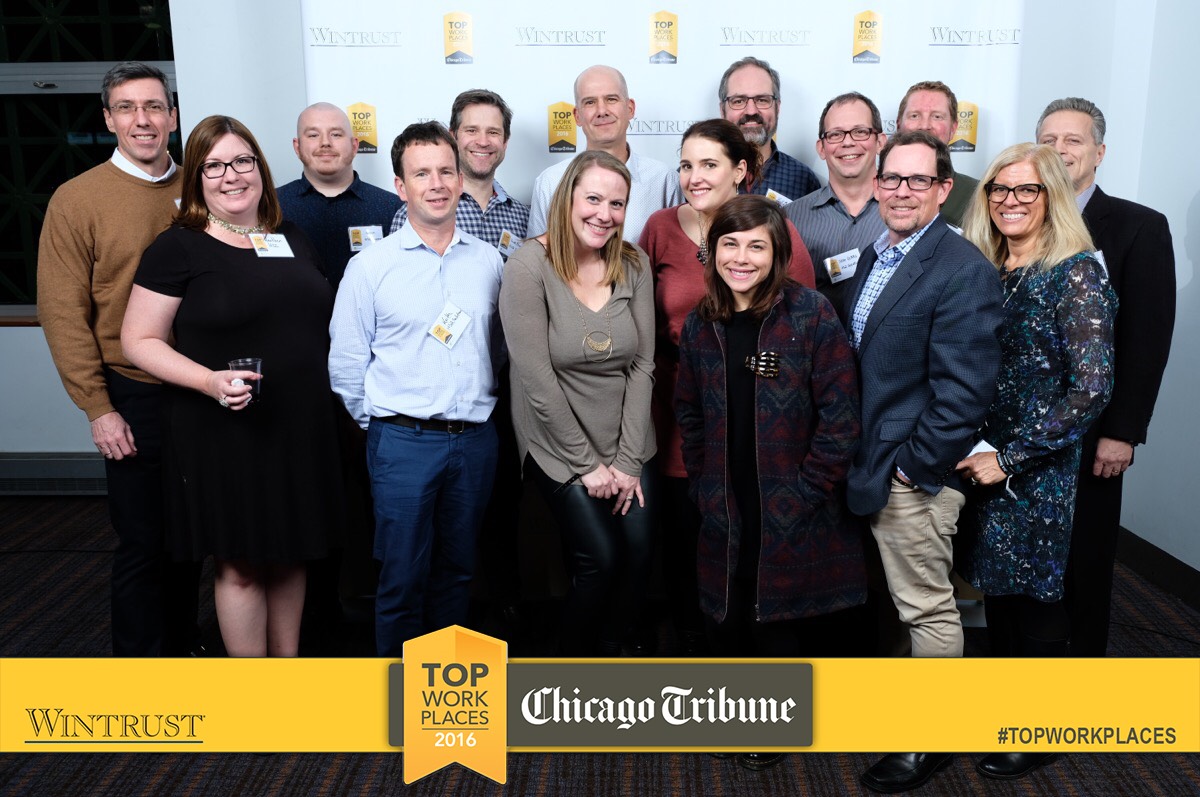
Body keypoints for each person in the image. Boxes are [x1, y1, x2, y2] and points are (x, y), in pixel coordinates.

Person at [122, 115, 342, 657]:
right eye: (214, 166)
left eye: (242, 161)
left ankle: (286, 674)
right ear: (196, 177)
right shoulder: (178, 248)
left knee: (291, 551)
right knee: (240, 563)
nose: (231, 176)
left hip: (299, 422)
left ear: (260, 169)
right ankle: (253, 691)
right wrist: (208, 381)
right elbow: (139, 340)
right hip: (225, 427)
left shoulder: (290, 235)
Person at [675, 195, 865, 771]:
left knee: (777, 611)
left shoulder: (809, 314)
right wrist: (705, 482)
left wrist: (809, 489)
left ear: (778, 252)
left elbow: (841, 415)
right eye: (730, 244)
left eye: (757, 245)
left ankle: (776, 723)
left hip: (792, 497)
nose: (741, 257)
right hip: (724, 496)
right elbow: (688, 409)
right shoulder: (703, 321)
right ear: (713, 253)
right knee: (727, 609)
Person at [850, 130, 1003, 794]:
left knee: (928, 610)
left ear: (945, 189)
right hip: (867, 464)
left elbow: (965, 390)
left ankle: (929, 740)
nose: (903, 191)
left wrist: (916, 467)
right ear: (877, 184)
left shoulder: (961, 266)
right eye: (893, 178)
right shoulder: (872, 256)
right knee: (895, 606)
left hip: (911, 475)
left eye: (919, 180)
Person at [957, 143, 1115, 780]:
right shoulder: (990, 266)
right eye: (999, 189)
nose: (1010, 202)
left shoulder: (1075, 271)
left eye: (1026, 191)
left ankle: (1039, 727)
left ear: (1052, 195)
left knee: (1037, 597)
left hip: (1037, 469)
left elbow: (1093, 387)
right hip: (981, 460)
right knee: (998, 592)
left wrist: (1013, 457)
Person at [37, 61, 200, 657]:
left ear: (173, 117)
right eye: (127, 108)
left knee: (191, 538)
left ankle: (185, 648)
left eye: (154, 106)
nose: (143, 119)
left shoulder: (203, 188)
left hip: (201, 390)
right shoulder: (77, 200)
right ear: (108, 119)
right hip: (133, 393)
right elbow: (61, 312)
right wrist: (97, 408)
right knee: (143, 541)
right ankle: (139, 669)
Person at [638, 118, 816, 655]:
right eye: (686, 164)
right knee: (687, 540)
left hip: (758, 416)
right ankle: (699, 659)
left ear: (741, 170)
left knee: (748, 546)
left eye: (709, 164)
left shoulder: (772, 226)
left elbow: (802, 324)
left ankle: (749, 673)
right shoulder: (659, 226)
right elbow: (637, 316)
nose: (694, 176)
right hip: (678, 412)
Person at [329, 122, 505, 656]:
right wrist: (385, 425)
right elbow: (347, 363)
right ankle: (398, 703)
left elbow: (498, 351)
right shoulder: (370, 267)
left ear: (459, 178)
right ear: (401, 187)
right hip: (402, 442)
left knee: (457, 573)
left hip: (475, 441)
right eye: (421, 173)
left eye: (446, 171)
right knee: (401, 577)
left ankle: (442, 700)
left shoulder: (491, 263)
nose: (437, 183)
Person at [1035, 98, 1176, 658]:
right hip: (1022, 427)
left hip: (1094, 429)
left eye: (1073, 140)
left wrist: (1124, 431)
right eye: (1049, 138)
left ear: (1099, 151)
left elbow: (1146, 340)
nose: (1061, 150)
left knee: (1084, 557)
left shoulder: (1139, 227)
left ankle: (1081, 679)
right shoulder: (1015, 216)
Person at [501, 150, 657, 657]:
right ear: (567, 197)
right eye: (592, 198)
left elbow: (643, 367)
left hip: (626, 439)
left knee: (638, 552)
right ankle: (568, 667)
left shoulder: (634, 263)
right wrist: (589, 466)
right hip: (557, 443)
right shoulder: (528, 265)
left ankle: (612, 655)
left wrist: (628, 462)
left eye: (617, 203)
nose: (604, 214)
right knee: (601, 558)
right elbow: (535, 379)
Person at [528, 65, 681, 242]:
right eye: (590, 102)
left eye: (611, 99)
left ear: (630, 108)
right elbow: (538, 259)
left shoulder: (664, 180)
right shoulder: (550, 182)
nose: (602, 111)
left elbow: (676, 256)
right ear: (577, 116)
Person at [390, 89, 529, 258]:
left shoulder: (522, 216)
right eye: (471, 131)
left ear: (505, 141)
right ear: (453, 137)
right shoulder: (415, 211)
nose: (483, 142)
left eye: (493, 132)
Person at [278, 102, 402, 288]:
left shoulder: (392, 208)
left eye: (336, 134)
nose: (325, 142)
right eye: (313, 135)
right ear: (297, 147)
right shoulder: (271, 206)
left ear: (354, 146)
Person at [786, 92, 888, 312]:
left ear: (880, 142)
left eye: (860, 132)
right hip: (814, 343)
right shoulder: (790, 218)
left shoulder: (906, 211)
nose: (848, 142)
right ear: (821, 148)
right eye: (835, 134)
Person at [717, 57, 820, 204]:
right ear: (722, 110)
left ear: (777, 107)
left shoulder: (803, 180)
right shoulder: (696, 175)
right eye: (738, 101)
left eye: (762, 100)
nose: (751, 111)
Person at [895, 80, 978, 228]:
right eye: (914, 116)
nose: (924, 126)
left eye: (937, 117)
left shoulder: (977, 195)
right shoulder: (881, 192)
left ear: (953, 128)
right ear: (898, 125)